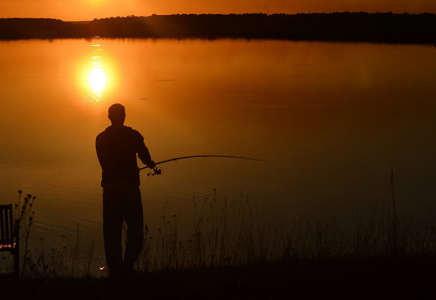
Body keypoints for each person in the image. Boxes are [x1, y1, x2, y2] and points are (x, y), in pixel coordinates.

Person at [96, 103, 155, 277]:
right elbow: (145, 157)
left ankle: (116, 271)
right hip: (130, 188)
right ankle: (128, 268)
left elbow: (104, 163)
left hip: (110, 189)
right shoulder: (134, 136)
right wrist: (151, 164)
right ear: (124, 116)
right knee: (135, 230)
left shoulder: (100, 138)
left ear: (109, 117)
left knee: (111, 232)